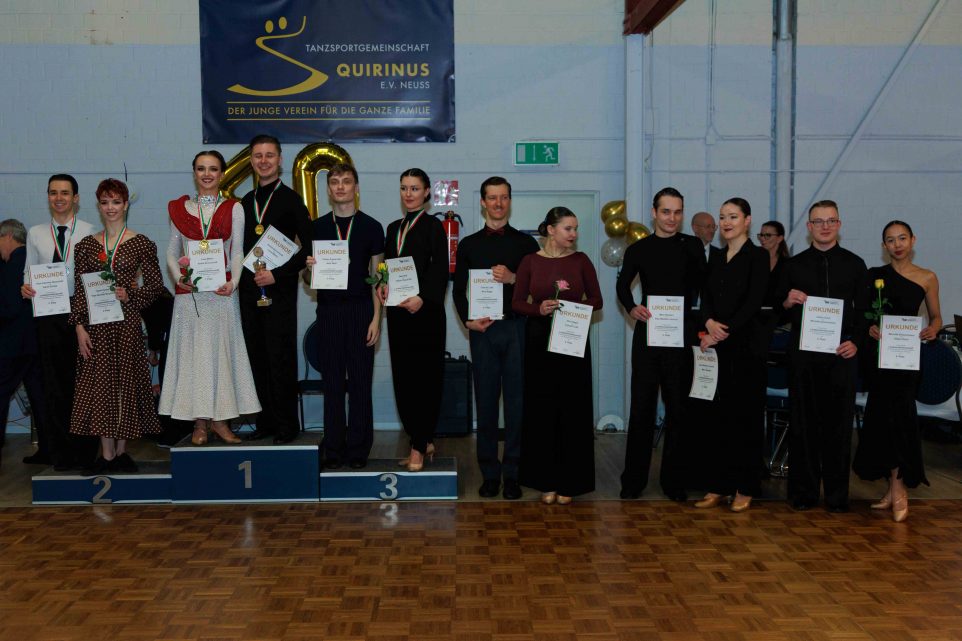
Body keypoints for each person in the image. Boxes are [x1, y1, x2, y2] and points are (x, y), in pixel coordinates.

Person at [159, 150, 260, 445]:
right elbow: (171, 251)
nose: (207, 174)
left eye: (213, 169)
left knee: (220, 356)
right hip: (189, 295)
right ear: (194, 173)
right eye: (201, 169)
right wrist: (178, 277)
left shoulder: (234, 208)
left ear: (222, 174)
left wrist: (235, 282)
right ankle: (199, 424)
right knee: (194, 357)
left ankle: (221, 421)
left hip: (221, 294)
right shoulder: (180, 209)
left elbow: (238, 251)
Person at [777, 200, 868, 512]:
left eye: (831, 221)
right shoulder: (793, 266)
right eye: (818, 221)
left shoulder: (855, 265)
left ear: (839, 224)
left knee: (839, 427)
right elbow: (776, 313)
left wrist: (856, 342)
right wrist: (786, 302)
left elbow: (866, 312)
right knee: (802, 425)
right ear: (809, 227)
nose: (825, 226)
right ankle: (803, 494)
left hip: (841, 356)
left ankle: (837, 497)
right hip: (803, 358)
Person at [615, 187, 705, 501]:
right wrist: (631, 307)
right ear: (654, 213)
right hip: (649, 336)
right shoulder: (638, 249)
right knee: (641, 408)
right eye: (666, 211)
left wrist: (702, 323)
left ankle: (674, 482)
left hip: (682, 337)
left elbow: (704, 287)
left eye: (677, 212)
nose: (672, 218)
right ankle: (633, 481)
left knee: (679, 409)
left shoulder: (692, 245)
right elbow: (622, 285)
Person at [452, 176, 539, 500]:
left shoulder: (526, 244)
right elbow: (458, 290)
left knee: (517, 405)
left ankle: (513, 474)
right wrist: (468, 321)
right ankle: (490, 473)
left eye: (503, 197)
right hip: (483, 332)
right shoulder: (469, 244)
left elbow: (538, 290)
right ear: (483, 202)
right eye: (492, 198)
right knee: (486, 403)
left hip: (516, 329)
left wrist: (515, 278)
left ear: (509, 201)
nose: (498, 203)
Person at [69, 178, 163, 474]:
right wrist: (79, 327)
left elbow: (156, 287)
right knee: (100, 388)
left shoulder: (141, 243)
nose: (111, 208)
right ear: (98, 206)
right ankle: (106, 454)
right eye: (105, 202)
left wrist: (130, 294)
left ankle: (121, 453)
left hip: (127, 325)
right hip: (96, 327)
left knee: (125, 385)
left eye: (116, 202)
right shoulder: (86, 246)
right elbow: (80, 291)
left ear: (125, 205)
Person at [512, 207, 603, 504]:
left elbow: (597, 299)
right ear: (551, 230)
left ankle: (570, 482)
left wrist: (574, 309)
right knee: (541, 410)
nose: (574, 234)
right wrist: (537, 308)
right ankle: (545, 481)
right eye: (568, 228)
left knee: (573, 410)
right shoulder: (529, 261)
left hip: (572, 339)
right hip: (539, 341)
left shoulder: (581, 261)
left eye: (575, 228)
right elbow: (517, 302)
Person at [853, 221, 940, 522]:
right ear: (884, 246)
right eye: (890, 240)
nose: (897, 244)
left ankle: (900, 488)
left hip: (907, 361)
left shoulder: (927, 277)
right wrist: (871, 327)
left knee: (901, 421)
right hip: (880, 359)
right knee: (882, 422)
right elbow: (863, 315)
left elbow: (936, 316)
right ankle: (892, 488)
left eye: (902, 238)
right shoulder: (874, 276)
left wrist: (933, 329)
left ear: (913, 240)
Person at [304, 163, 384, 469]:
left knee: (361, 384)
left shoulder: (372, 227)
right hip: (329, 311)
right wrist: (309, 269)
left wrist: (377, 319)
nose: (340, 187)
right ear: (328, 190)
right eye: (335, 182)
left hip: (362, 311)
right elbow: (307, 279)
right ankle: (334, 449)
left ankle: (359, 449)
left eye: (346, 181)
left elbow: (379, 277)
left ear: (356, 188)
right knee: (333, 385)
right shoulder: (317, 228)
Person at [691, 198, 769, 512]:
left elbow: (753, 302)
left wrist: (724, 330)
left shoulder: (758, 256)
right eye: (723, 217)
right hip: (716, 345)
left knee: (745, 418)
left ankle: (746, 487)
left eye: (733, 217)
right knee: (718, 419)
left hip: (746, 347)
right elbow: (706, 297)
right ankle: (719, 485)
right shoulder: (716, 257)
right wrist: (709, 323)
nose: (726, 222)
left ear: (747, 221)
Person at [239, 134, 312, 445]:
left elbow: (308, 249)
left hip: (279, 292)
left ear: (280, 160)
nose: (264, 161)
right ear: (251, 161)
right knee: (256, 357)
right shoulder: (244, 202)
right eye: (258, 156)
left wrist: (277, 275)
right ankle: (265, 421)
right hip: (249, 292)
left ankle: (286, 425)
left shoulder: (291, 200)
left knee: (280, 358)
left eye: (269, 155)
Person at [21, 174, 97, 470]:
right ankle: (61, 452)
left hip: (81, 313)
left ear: (76, 198)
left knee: (82, 382)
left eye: (65, 193)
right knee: (54, 384)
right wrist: (25, 287)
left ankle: (86, 449)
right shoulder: (36, 233)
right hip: (48, 315)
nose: (59, 198)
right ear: (48, 197)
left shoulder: (89, 231)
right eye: (53, 193)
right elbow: (28, 271)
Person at [379, 168, 448, 472]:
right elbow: (386, 266)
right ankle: (422, 438)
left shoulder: (434, 227)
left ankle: (419, 445)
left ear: (427, 192)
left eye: (415, 188)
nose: (409, 194)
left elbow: (441, 269)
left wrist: (423, 298)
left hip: (426, 313)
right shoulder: (393, 228)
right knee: (404, 378)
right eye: (404, 188)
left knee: (425, 379)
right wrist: (382, 284)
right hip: (398, 312)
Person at [0, 219, 46, 469]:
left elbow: (9, 307)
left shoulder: (12, 265)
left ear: (8, 236)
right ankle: (47, 449)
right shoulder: (33, 261)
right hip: (34, 341)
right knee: (39, 396)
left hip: (12, 344)